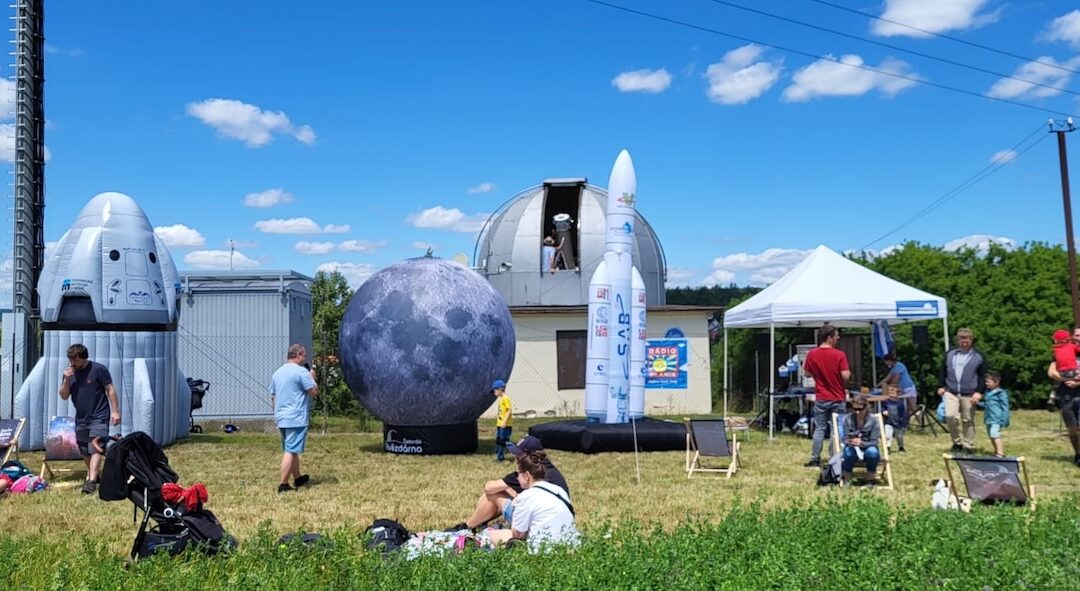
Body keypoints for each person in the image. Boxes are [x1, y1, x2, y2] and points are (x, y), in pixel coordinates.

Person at [450, 435, 569, 532]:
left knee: (495, 495)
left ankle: (466, 527)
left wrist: (508, 489)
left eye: (519, 453)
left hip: (538, 523)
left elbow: (489, 488)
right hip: (560, 520)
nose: (515, 456)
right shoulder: (547, 469)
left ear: (529, 456)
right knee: (501, 492)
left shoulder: (526, 473)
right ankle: (477, 524)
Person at [485, 449, 579, 552]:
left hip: (542, 552)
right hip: (570, 549)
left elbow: (517, 534)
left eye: (518, 474)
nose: (517, 478)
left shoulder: (526, 496)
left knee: (489, 535)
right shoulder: (559, 490)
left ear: (526, 476)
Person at [58, 344, 121, 495]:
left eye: (75, 361)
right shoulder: (69, 373)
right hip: (81, 418)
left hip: (99, 415)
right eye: (70, 360)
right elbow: (63, 395)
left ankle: (91, 481)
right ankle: (95, 475)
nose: (73, 364)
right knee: (85, 451)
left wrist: (115, 411)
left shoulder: (98, 369)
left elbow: (110, 389)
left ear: (84, 358)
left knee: (96, 446)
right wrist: (66, 380)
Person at [269, 343, 318, 493]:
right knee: (290, 450)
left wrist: (277, 414)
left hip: (282, 417)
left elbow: (273, 395)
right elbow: (313, 392)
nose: (305, 359)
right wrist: (312, 378)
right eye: (304, 356)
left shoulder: (278, 372)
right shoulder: (301, 372)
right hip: (296, 417)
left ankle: (297, 477)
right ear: (297, 355)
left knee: (292, 448)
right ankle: (283, 484)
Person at [803, 324, 850, 467]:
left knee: (819, 428)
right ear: (829, 338)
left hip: (822, 397)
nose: (838, 338)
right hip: (837, 397)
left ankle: (815, 458)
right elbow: (845, 376)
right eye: (836, 336)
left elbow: (807, 373)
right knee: (837, 428)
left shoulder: (812, 354)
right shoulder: (839, 355)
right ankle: (834, 457)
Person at [937, 327, 987, 454]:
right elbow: (943, 370)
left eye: (967, 339)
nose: (964, 342)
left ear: (971, 340)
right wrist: (941, 385)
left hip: (969, 393)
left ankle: (968, 444)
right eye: (962, 339)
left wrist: (979, 392)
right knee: (950, 416)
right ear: (958, 340)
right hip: (951, 391)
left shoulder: (978, 356)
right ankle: (956, 442)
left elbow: (983, 375)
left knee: (967, 419)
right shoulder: (950, 354)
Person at [1049, 326, 1080, 467]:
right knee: (1072, 431)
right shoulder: (1062, 351)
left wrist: (1077, 382)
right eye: (1077, 335)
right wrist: (1064, 379)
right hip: (1066, 395)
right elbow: (1051, 372)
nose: (1078, 338)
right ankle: (1078, 454)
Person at [841, 396, 881, 483]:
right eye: (854, 409)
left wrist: (861, 443)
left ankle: (870, 478)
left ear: (866, 407)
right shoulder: (847, 419)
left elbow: (874, 441)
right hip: (852, 446)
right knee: (848, 453)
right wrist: (851, 441)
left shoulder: (873, 420)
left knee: (872, 452)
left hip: (868, 446)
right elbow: (844, 439)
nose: (857, 412)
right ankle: (847, 477)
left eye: (860, 409)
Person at [981, 370, 1010, 457]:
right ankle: (996, 450)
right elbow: (987, 404)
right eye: (986, 381)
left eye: (989, 382)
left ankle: (1000, 453)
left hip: (997, 418)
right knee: (991, 435)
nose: (986, 383)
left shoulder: (1001, 393)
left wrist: (1005, 419)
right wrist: (978, 403)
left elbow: (1005, 407)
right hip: (989, 418)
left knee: (994, 434)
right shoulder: (988, 393)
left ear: (996, 382)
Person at [881, 385, 909, 453]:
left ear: (897, 394)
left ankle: (901, 447)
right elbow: (882, 408)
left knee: (899, 436)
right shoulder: (886, 402)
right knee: (888, 436)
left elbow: (903, 414)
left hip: (898, 423)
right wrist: (883, 411)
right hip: (888, 422)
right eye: (890, 393)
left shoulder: (900, 404)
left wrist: (904, 424)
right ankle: (888, 447)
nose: (891, 395)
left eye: (893, 393)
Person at [492, 380, 512, 462]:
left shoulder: (505, 398)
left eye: (494, 390)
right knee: (499, 440)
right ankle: (499, 455)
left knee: (503, 441)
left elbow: (509, 410)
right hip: (500, 424)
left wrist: (504, 421)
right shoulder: (501, 399)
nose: (494, 392)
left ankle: (501, 457)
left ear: (500, 389)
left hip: (505, 425)